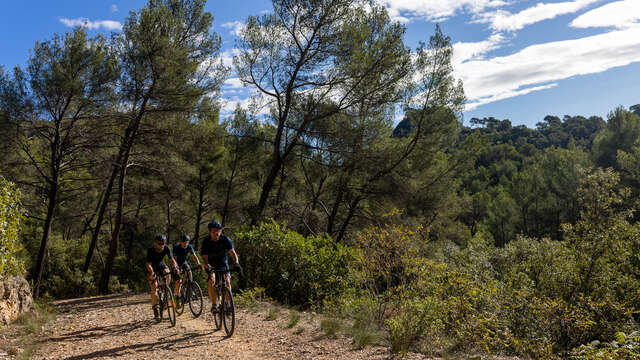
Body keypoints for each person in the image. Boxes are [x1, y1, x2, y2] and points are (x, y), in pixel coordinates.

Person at [200, 221, 242, 313]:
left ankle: (228, 303)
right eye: (214, 231)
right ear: (210, 231)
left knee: (227, 281)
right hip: (210, 263)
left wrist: (237, 263)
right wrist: (209, 267)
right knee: (212, 280)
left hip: (223, 263)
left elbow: (232, 253)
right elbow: (204, 258)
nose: (217, 233)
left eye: (219, 230)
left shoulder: (225, 239)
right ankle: (214, 305)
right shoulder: (206, 241)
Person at [146, 234, 180, 320]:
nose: (161, 245)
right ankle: (155, 309)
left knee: (168, 273)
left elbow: (172, 260)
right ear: (155, 243)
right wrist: (152, 272)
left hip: (161, 265)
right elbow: (148, 264)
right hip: (152, 268)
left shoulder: (166, 248)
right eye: (159, 243)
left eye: (163, 243)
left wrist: (175, 267)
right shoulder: (151, 250)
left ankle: (165, 289)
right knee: (154, 289)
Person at [172, 234, 205, 302]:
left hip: (184, 262)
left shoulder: (189, 247)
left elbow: (194, 256)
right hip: (176, 264)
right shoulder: (176, 248)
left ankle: (190, 287)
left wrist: (198, 264)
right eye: (184, 242)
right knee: (179, 281)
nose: (185, 244)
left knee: (189, 271)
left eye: (187, 242)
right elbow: (174, 259)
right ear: (180, 242)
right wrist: (177, 268)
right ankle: (177, 297)